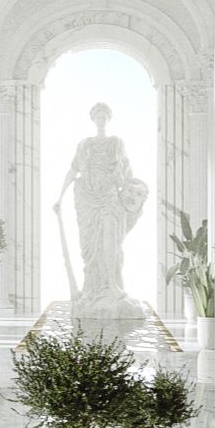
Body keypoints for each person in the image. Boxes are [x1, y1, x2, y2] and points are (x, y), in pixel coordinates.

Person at [55, 101, 149, 311]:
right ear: (93, 118)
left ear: (108, 118)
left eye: (104, 115)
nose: (101, 119)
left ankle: (113, 286)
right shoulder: (84, 144)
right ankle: (93, 290)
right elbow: (72, 171)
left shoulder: (117, 143)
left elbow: (127, 172)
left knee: (110, 240)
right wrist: (60, 197)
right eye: (97, 115)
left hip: (109, 197)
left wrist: (135, 199)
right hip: (86, 199)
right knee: (90, 248)